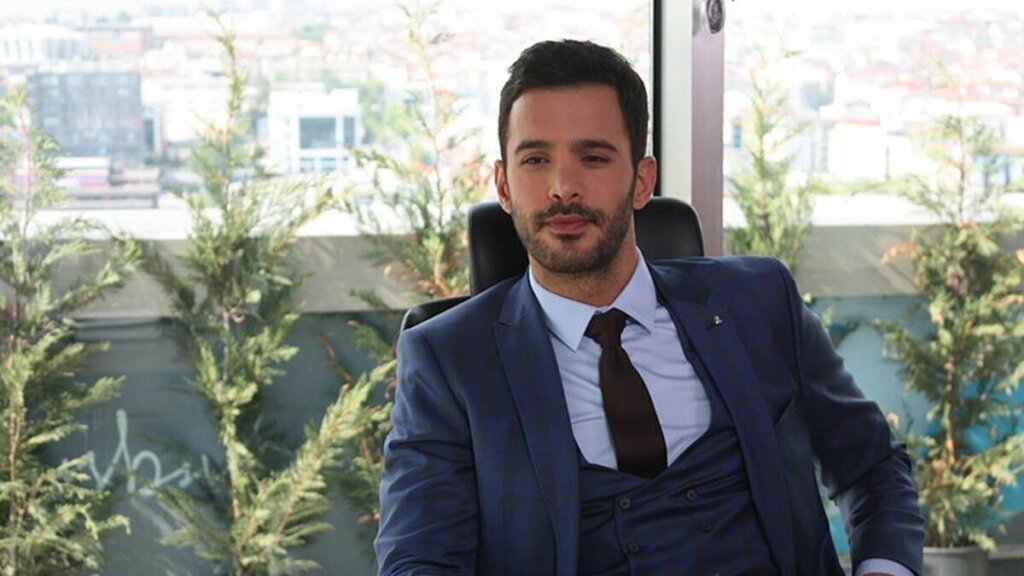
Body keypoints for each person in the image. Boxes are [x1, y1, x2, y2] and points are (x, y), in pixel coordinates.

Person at [376, 39, 924, 576]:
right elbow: (418, 560)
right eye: (536, 159)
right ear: (503, 185)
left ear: (641, 181)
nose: (563, 187)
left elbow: (873, 466)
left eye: (593, 157)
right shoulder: (449, 360)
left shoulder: (760, 302)